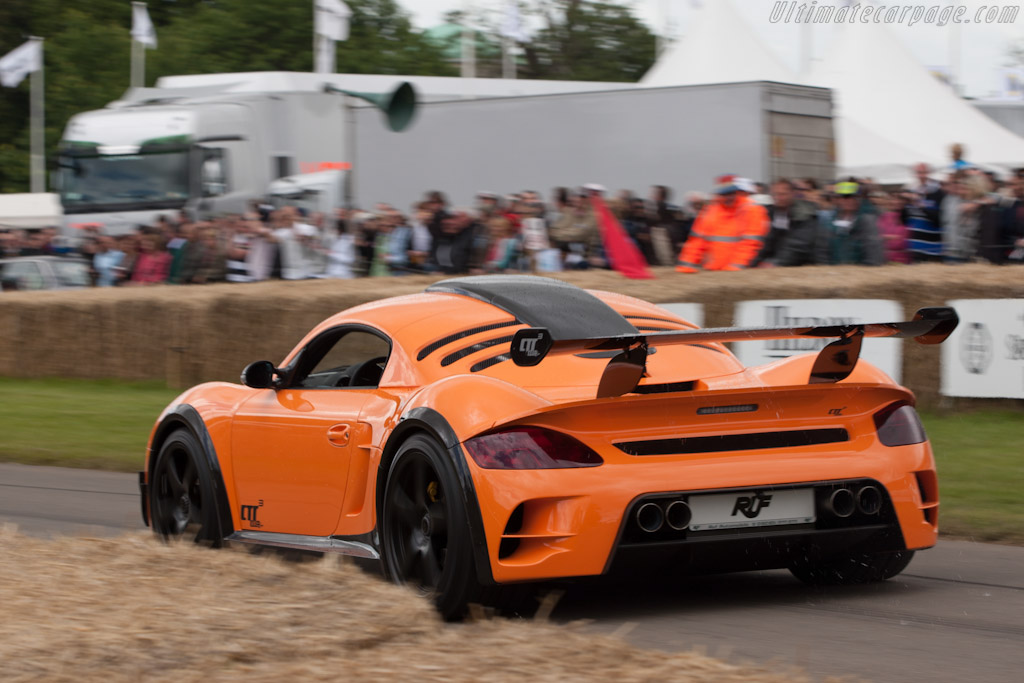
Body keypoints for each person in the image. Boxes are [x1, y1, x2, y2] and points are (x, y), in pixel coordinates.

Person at [676, 175, 769, 273]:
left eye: (731, 193)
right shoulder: (709, 210)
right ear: (719, 194)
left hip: (740, 271)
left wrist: (736, 266)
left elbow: (751, 244)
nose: (729, 197)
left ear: (737, 192)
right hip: (714, 270)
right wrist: (686, 264)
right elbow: (697, 241)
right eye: (725, 194)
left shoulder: (751, 209)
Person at [753, 179, 820, 267]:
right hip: (779, 262)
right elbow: (768, 241)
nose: (778, 198)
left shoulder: (805, 214)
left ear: (792, 194)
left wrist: (776, 263)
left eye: (782, 194)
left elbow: (797, 244)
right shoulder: (772, 213)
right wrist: (754, 263)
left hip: (800, 264)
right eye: (775, 194)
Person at [817, 181, 884, 266]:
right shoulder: (829, 221)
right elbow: (822, 250)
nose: (849, 200)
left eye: (854, 197)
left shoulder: (867, 221)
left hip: (859, 272)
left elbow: (873, 251)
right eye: (845, 197)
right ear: (837, 199)